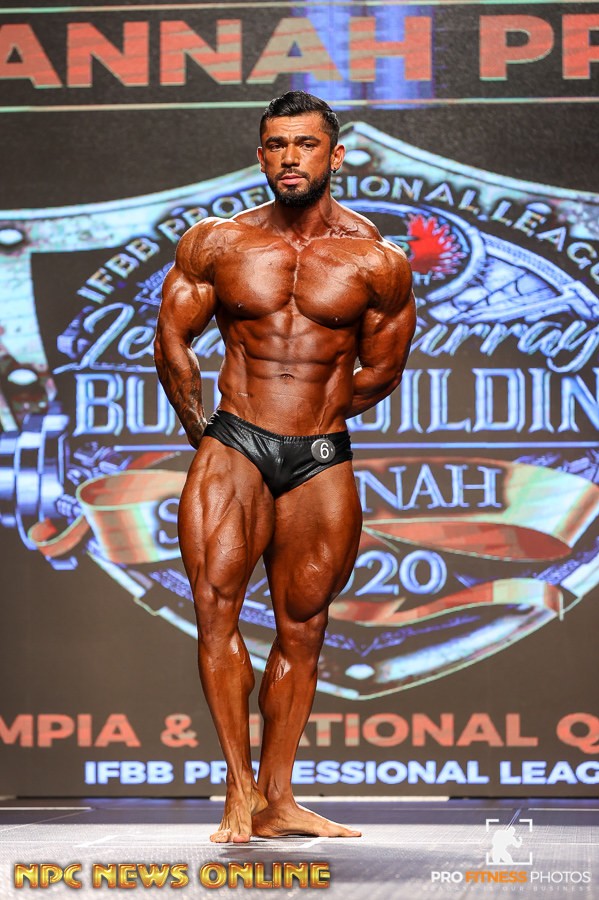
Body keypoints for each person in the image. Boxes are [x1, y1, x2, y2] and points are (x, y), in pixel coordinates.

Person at [154, 91, 416, 843]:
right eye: (276, 145)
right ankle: (237, 789)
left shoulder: (377, 261)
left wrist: (314, 414)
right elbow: (173, 340)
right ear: (260, 155)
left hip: (319, 453)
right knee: (216, 610)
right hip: (235, 439)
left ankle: (278, 798)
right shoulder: (217, 244)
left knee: (304, 625)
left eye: (305, 144)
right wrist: (208, 433)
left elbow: (382, 370)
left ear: (336, 155)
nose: (290, 157)